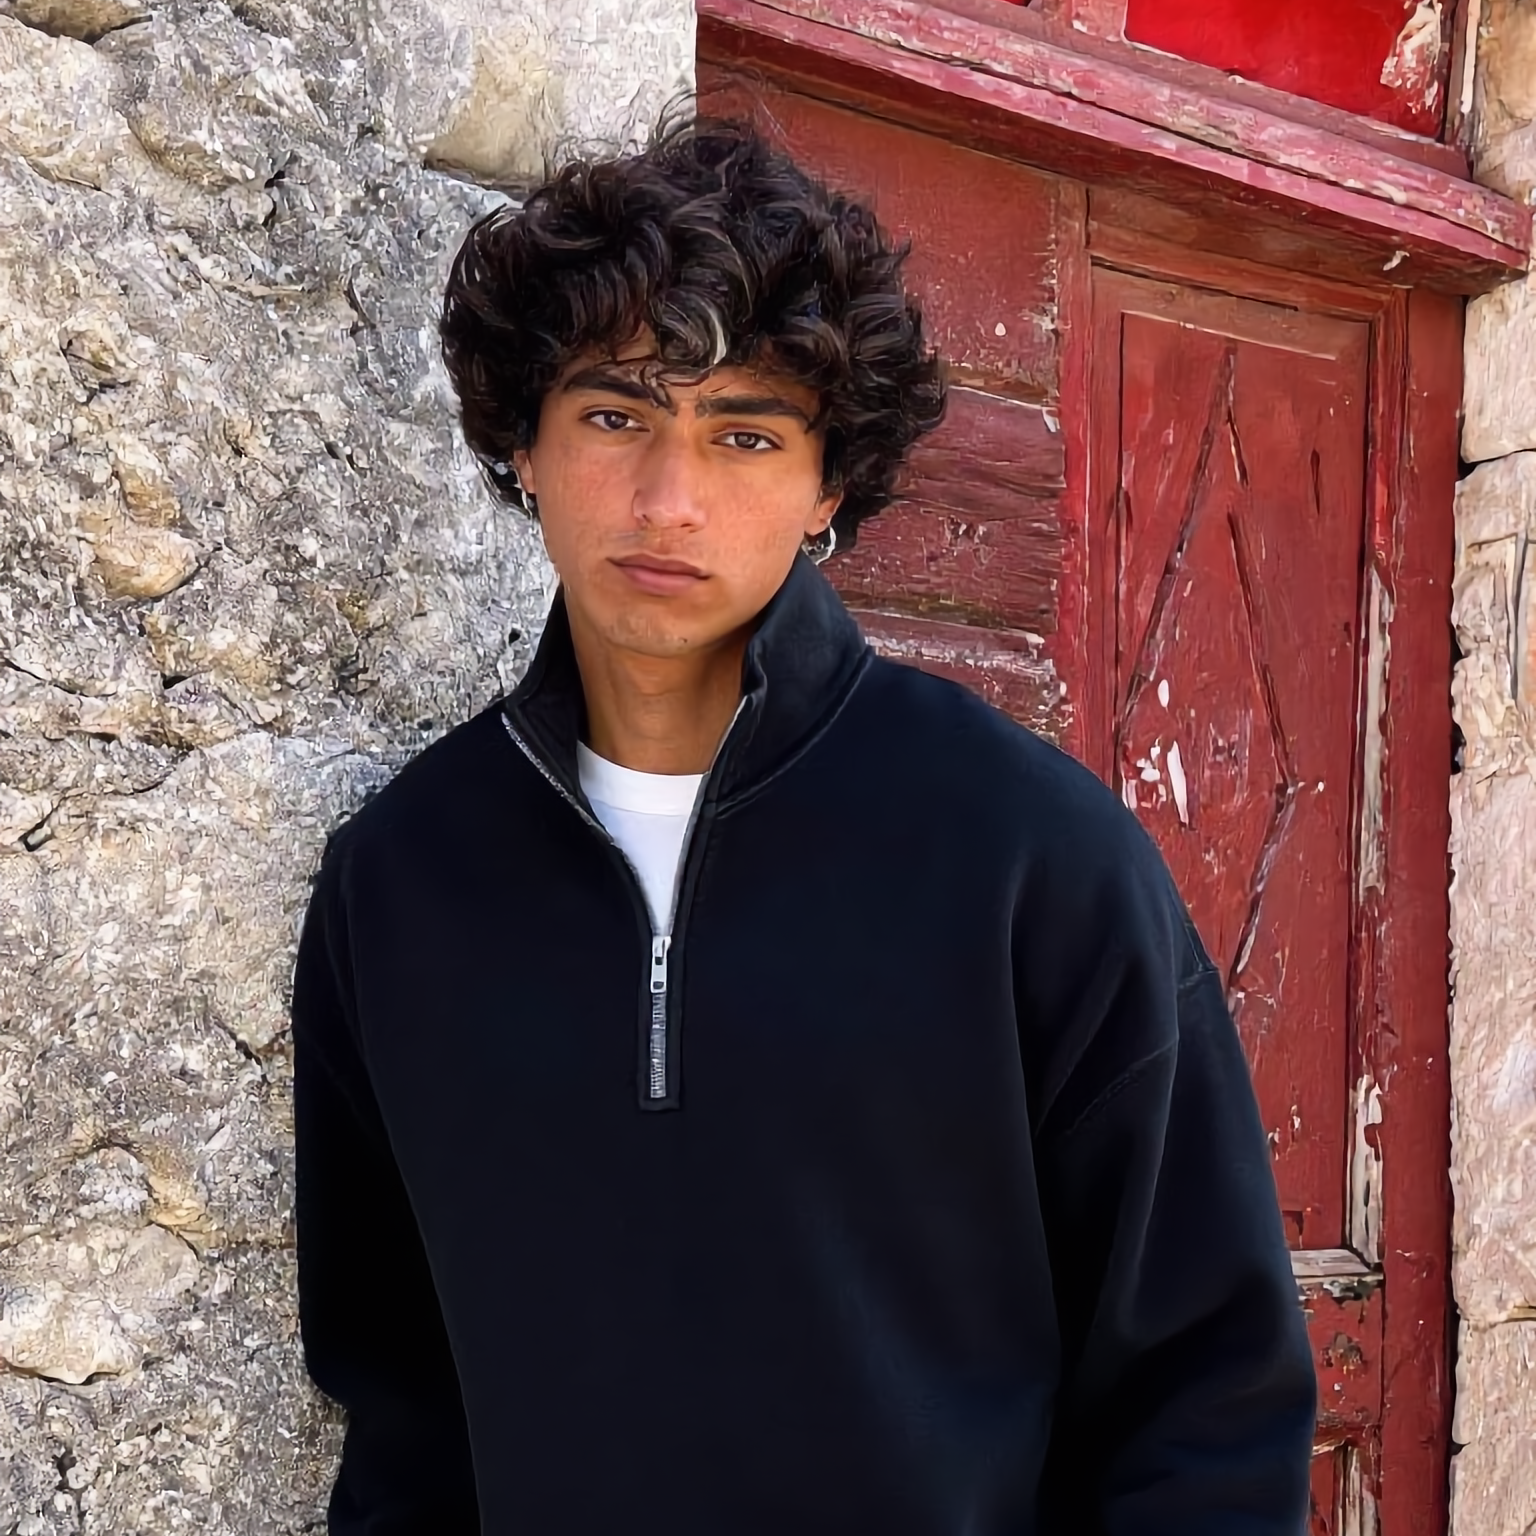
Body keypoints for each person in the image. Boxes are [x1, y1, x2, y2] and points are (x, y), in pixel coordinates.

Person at [291, 115, 1316, 1535]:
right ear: (520, 441)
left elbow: (1205, 1401)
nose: (671, 498)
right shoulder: (398, 884)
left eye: (747, 433)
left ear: (830, 486)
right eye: (614, 414)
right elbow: (401, 1403)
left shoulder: (1028, 856)